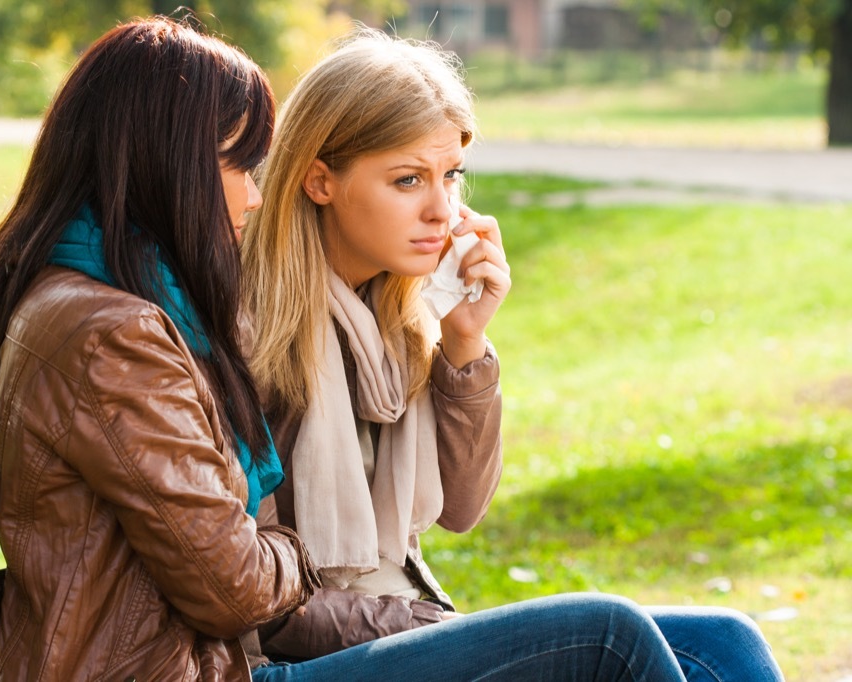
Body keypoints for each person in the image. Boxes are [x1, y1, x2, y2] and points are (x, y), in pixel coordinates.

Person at [241, 29, 785, 681]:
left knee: (724, 641)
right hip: (280, 662)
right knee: (608, 633)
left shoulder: (396, 319)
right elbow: (258, 602)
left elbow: (463, 508)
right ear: (319, 179)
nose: (441, 210)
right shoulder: (252, 334)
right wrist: (425, 625)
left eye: (451, 176)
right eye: (408, 179)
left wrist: (466, 344)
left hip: (393, 628)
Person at [0, 18, 321, 680]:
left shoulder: (98, 296)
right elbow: (234, 589)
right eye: (238, 164)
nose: (255, 195)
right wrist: (295, 556)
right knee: (579, 637)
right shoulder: (113, 337)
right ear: (167, 162)